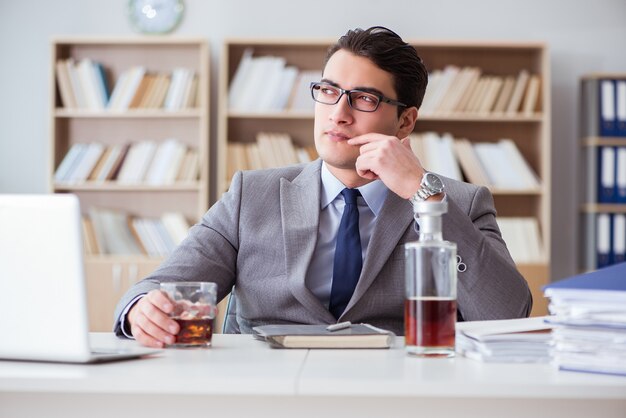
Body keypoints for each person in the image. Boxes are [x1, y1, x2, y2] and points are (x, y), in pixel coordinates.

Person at [114, 26, 532, 348]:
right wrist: (143, 310)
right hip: (268, 395)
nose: (338, 114)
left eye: (364, 98)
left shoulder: (458, 202)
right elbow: (161, 284)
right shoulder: (251, 195)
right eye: (329, 92)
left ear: (405, 121)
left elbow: (508, 315)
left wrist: (425, 196)